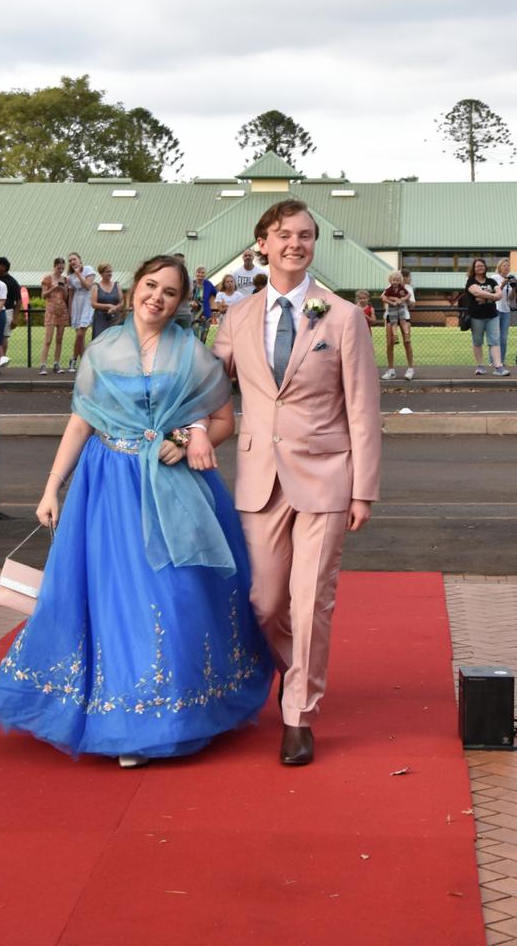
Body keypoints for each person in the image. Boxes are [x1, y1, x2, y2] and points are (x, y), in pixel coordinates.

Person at [0, 254, 273, 767]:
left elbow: (224, 419)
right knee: (115, 596)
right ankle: (125, 715)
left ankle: (176, 707)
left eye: (170, 292)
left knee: (176, 593)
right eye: (151, 286)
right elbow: (80, 422)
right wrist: (52, 488)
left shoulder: (194, 355)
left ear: (181, 302)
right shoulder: (102, 349)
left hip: (174, 487)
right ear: (135, 289)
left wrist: (186, 437)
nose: (157, 297)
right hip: (107, 486)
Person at [213, 199, 381, 766]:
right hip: (260, 477)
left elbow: (362, 408)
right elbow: (208, 393)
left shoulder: (341, 316)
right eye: (284, 234)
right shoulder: (236, 316)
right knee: (263, 603)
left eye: (306, 235)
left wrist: (363, 489)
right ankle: (295, 669)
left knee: (312, 601)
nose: (295, 243)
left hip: (328, 477)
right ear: (261, 243)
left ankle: (298, 713)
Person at [465, 258, 509, 376]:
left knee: (494, 340)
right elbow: (477, 293)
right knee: (477, 341)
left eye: (482, 265)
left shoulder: (491, 281)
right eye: (477, 266)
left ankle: (498, 367)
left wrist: (486, 297)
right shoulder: (471, 281)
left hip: (492, 316)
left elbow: (499, 294)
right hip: (476, 317)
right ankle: (480, 366)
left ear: (485, 267)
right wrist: (492, 296)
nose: (480, 268)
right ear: (473, 269)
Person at [381, 269, 415, 380]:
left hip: (404, 315)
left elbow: (412, 304)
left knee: (407, 341)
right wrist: (394, 299)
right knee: (390, 342)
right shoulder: (388, 287)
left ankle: (410, 369)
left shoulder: (408, 288)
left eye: (397, 278)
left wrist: (405, 300)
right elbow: (383, 298)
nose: (410, 279)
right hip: (390, 316)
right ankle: (391, 371)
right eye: (409, 276)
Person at [39, 258, 69, 375]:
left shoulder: (65, 279)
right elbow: (43, 295)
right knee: (48, 340)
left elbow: (66, 297)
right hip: (51, 311)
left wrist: (64, 289)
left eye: (62, 268)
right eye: (59, 268)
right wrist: (54, 288)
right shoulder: (48, 278)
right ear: (54, 266)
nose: (61, 270)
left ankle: (56, 363)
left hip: (62, 311)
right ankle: (43, 365)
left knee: (59, 339)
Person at [67, 252, 95, 372]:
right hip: (77, 305)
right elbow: (71, 295)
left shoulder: (88, 269)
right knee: (81, 336)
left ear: (80, 259)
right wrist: (70, 311)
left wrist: (79, 274)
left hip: (87, 303)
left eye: (74, 259)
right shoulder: (70, 277)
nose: (72, 262)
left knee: (80, 334)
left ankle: (73, 359)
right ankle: (84, 363)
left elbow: (88, 286)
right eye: (70, 260)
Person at [0, 257, 21, 368]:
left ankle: (2, 359)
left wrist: (15, 318)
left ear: (3, 267)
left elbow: (18, 301)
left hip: (7, 311)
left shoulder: (12, 282)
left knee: (4, 336)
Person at [493, 258, 517, 366]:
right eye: (504, 265)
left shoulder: (510, 279)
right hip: (496, 309)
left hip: (506, 310)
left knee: (503, 338)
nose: (507, 267)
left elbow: (511, 298)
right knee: (494, 337)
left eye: (508, 265)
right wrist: (503, 284)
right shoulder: (495, 278)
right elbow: (494, 293)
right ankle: (492, 361)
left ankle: (501, 361)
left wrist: (514, 287)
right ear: (499, 267)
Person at [91, 262, 123, 339]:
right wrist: (108, 306)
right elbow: (93, 304)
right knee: (99, 339)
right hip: (100, 319)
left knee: (114, 340)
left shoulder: (117, 285)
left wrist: (115, 308)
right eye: (107, 272)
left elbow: (122, 302)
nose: (110, 273)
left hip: (115, 318)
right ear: (101, 273)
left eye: (110, 271)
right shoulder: (96, 286)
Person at [190, 265, 216, 341]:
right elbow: (183, 297)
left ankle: (200, 351)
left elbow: (217, 294)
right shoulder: (191, 284)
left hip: (205, 315)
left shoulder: (208, 284)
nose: (200, 274)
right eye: (199, 272)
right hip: (192, 314)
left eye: (203, 273)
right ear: (195, 273)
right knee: (193, 335)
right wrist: (190, 302)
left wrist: (216, 309)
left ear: (205, 274)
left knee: (203, 336)